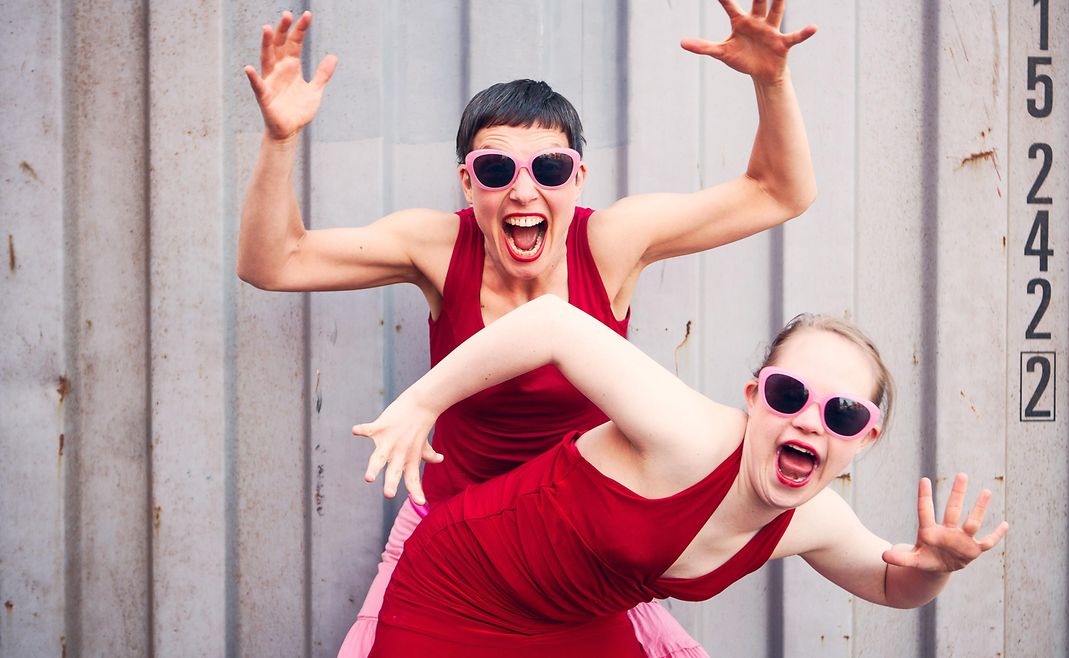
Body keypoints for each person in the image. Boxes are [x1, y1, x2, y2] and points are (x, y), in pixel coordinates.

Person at [240, 1, 817, 655]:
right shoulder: (435, 248)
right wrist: (280, 140)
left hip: (576, 538)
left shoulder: (610, 243)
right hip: (454, 539)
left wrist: (771, 81)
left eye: (548, 169)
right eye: (495, 170)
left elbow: (780, 192)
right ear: (467, 182)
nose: (522, 192)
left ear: (577, 177)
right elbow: (273, 262)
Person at [352, 295, 1009, 657]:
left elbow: (895, 585)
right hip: (460, 594)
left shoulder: (814, 521)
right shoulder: (685, 433)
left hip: (580, 625)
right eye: (788, 395)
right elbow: (552, 324)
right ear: (754, 398)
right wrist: (422, 402)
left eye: (840, 412)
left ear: (865, 437)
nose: (809, 421)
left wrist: (936, 568)